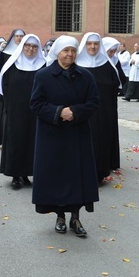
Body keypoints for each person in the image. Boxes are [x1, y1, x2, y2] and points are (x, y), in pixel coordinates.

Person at [31, 35, 99, 237]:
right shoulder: (43, 76)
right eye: (65, 51)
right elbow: (35, 104)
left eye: (73, 51)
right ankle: (60, 216)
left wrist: (75, 112)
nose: (69, 54)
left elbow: (94, 102)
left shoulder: (86, 76)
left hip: (77, 134)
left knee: (77, 175)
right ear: (57, 53)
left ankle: (75, 218)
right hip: (52, 135)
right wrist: (59, 112)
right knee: (56, 176)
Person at [0, 34, 46, 189]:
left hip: (36, 113)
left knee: (32, 142)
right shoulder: (11, 66)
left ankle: (26, 174)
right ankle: (15, 175)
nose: (30, 49)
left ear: (38, 49)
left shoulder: (43, 66)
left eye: (34, 46)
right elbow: (4, 88)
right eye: (27, 46)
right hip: (15, 112)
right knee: (16, 141)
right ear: (22, 47)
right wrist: (9, 108)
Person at [76, 32, 120, 184]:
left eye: (95, 43)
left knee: (100, 141)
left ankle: (100, 173)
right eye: (89, 43)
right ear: (84, 45)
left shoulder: (107, 65)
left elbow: (115, 87)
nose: (92, 47)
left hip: (102, 112)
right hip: (81, 112)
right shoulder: (76, 64)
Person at [0, 29, 25, 145]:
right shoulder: (5, 54)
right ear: (12, 38)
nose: (19, 38)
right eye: (17, 36)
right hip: (7, 89)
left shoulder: (26, 52)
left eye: (21, 36)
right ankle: (5, 140)